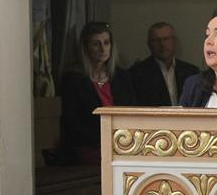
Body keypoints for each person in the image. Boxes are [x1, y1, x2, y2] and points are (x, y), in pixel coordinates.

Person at [60, 21, 135, 165]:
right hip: (89, 145)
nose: (102, 49)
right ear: (86, 47)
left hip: (122, 142)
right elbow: (72, 123)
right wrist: (105, 138)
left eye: (106, 43)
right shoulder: (73, 79)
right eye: (96, 44)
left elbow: (132, 111)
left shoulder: (121, 76)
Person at [129, 22, 199, 106]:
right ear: (149, 44)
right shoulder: (137, 74)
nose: (162, 44)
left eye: (166, 39)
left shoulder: (191, 72)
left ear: (174, 41)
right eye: (156, 40)